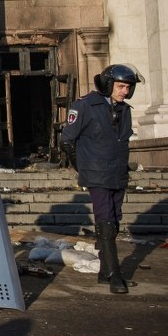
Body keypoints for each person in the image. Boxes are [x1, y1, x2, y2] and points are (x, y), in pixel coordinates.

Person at [60, 64, 144, 295]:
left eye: (128, 87)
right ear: (108, 84)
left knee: (115, 220)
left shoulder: (125, 110)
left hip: (118, 173)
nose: (124, 91)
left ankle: (103, 270)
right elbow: (67, 141)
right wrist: (84, 168)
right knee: (105, 220)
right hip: (97, 174)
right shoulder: (85, 105)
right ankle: (114, 274)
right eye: (120, 86)